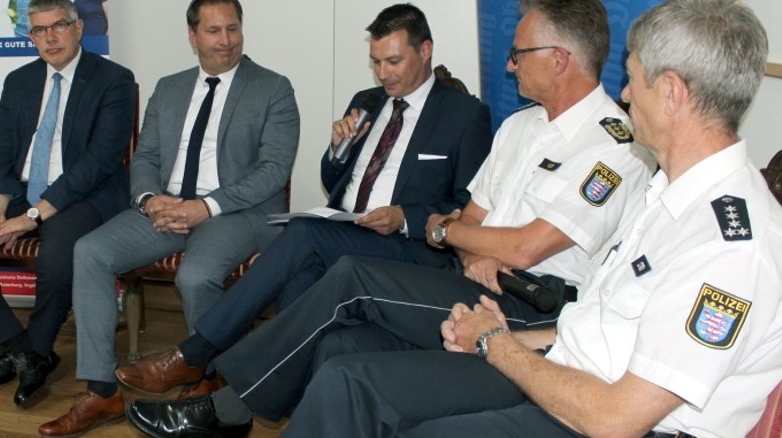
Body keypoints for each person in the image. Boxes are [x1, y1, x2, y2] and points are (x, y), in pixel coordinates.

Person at [277, 0, 782, 436]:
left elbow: (616, 418)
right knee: (349, 379)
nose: (625, 97)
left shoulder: (731, 246)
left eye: (632, 81)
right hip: (561, 363)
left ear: (672, 92)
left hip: (602, 414)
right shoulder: (669, 195)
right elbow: (601, 331)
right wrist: (499, 332)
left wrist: (498, 344)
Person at [124, 0, 656, 436]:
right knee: (333, 343)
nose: (510, 64)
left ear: (559, 58)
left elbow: (519, 245)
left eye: (519, 54)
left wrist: (445, 231)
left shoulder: (614, 143)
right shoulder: (521, 128)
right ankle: (229, 409)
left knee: (347, 273)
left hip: (528, 308)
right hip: (466, 278)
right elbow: (473, 217)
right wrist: (471, 247)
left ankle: (210, 392)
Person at [115, 2, 492, 401]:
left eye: (394, 61)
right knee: (300, 275)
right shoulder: (368, 100)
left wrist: (404, 218)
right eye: (376, 61)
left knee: (304, 235)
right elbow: (335, 183)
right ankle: (237, 401)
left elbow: (469, 205)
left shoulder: (465, 115)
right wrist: (337, 151)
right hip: (350, 231)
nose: (384, 73)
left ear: (426, 50)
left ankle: (196, 354)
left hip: (411, 247)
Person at [36, 0, 299, 435]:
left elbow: (273, 171)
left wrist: (205, 207)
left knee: (194, 277)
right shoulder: (170, 87)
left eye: (232, 29)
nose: (226, 41)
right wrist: (148, 199)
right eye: (213, 31)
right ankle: (102, 391)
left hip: (235, 211)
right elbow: (146, 157)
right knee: (91, 251)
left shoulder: (273, 87)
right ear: (193, 36)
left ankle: (204, 377)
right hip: (166, 206)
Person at [0, 0, 135, 409]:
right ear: (30, 35)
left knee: (59, 258)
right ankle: (23, 349)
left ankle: (35, 346)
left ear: (77, 28)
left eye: (58, 27)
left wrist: (31, 217)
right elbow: (3, 154)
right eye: (39, 30)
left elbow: (100, 161)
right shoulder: (19, 80)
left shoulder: (114, 79)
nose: (50, 38)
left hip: (83, 194)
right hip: (19, 188)